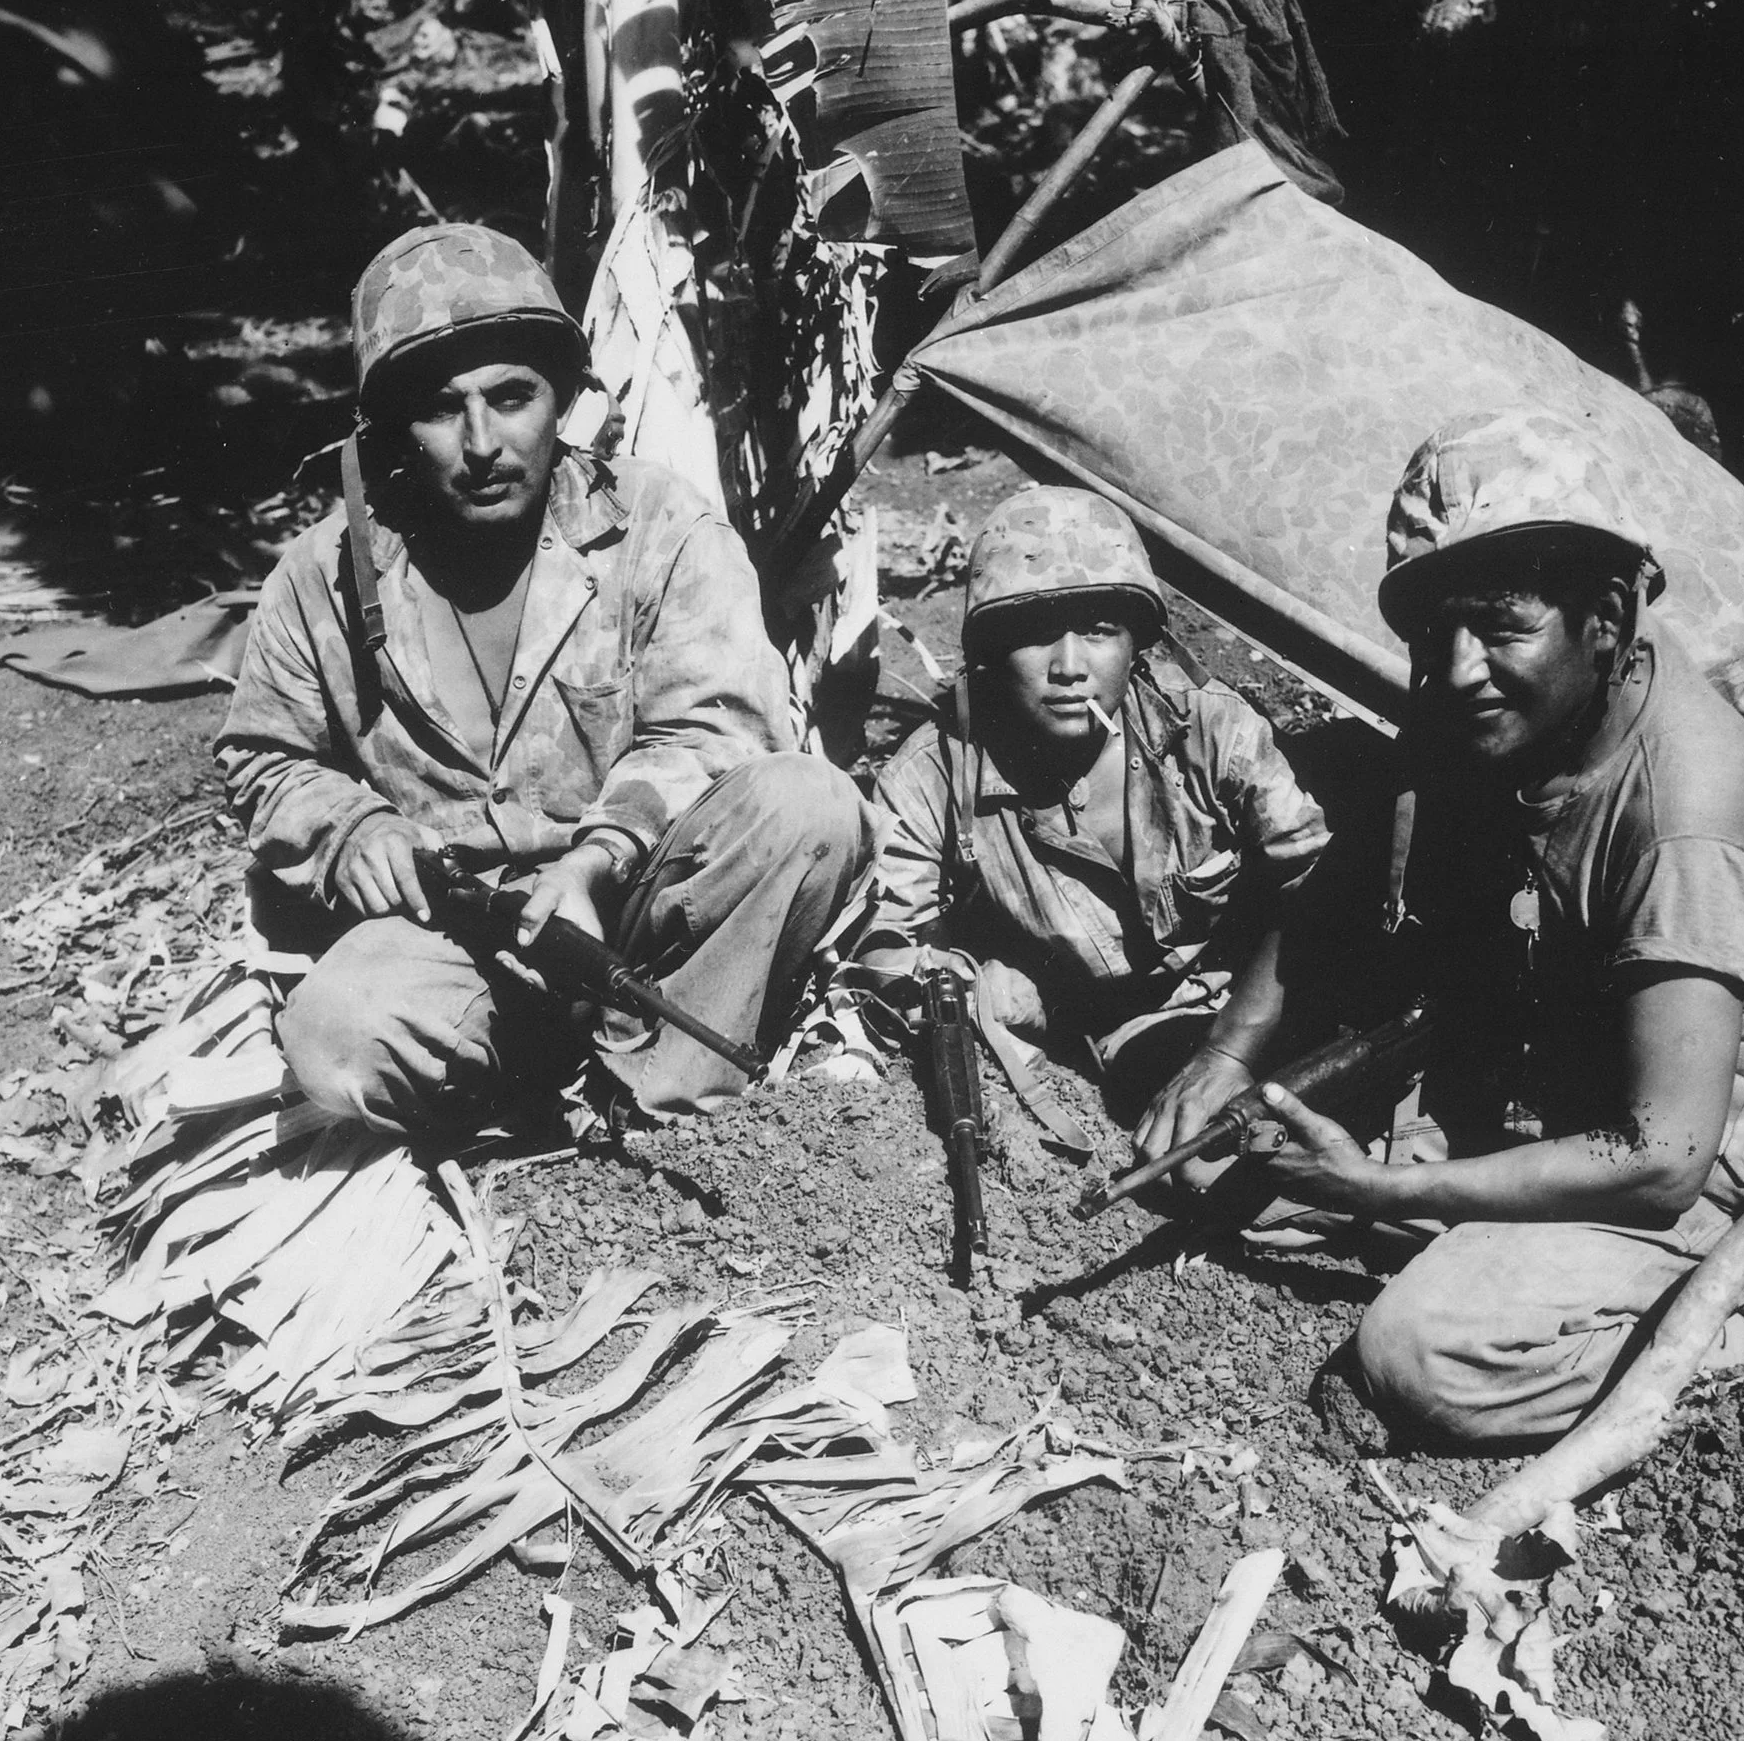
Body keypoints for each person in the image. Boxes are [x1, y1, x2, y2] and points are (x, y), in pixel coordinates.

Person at [216, 223, 878, 1136]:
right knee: (338, 1038)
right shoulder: (323, 574)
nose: (482, 442)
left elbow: (719, 728)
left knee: (811, 805)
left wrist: (592, 862)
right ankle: (517, 1091)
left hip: (634, 912)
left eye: (511, 396)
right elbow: (264, 756)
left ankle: (663, 1101)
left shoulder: (657, 526)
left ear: (561, 398)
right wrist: (350, 829)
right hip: (451, 933)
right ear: (393, 426)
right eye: (441, 408)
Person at [1252, 409, 1744, 1446]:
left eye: (1500, 627)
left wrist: (1380, 1186)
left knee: (1417, 1357)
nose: (1458, 668)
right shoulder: (1524, 700)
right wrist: (1224, 1051)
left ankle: (1739, 1320)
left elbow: (1662, 1157)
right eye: (1436, 634)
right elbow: (1356, 861)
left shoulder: (1685, 818)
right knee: (1237, 1168)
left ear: (1606, 616)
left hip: (1683, 1166)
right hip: (1546, 1082)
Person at [857, 486, 1329, 1154]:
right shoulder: (932, 776)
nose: (1070, 668)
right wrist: (997, 993)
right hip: (1113, 1042)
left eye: (1100, 631)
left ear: (1138, 642)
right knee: (1207, 1164)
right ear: (991, 651)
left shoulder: (1208, 730)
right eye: (1035, 634)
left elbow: (1317, 881)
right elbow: (886, 952)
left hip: (1264, 1001)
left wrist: (1233, 1046)